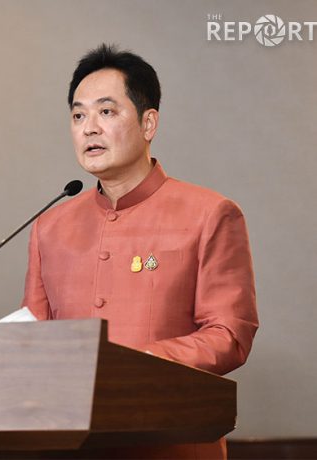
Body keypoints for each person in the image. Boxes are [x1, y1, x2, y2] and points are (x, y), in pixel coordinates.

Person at [21, 44, 259, 459]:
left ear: (148, 123)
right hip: (71, 446)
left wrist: (142, 361)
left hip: (171, 444)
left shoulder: (210, 214)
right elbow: (34, 338)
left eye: (106, 111)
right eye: (78, 116)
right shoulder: (49, 227)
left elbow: (229, 334)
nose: (89, 128)